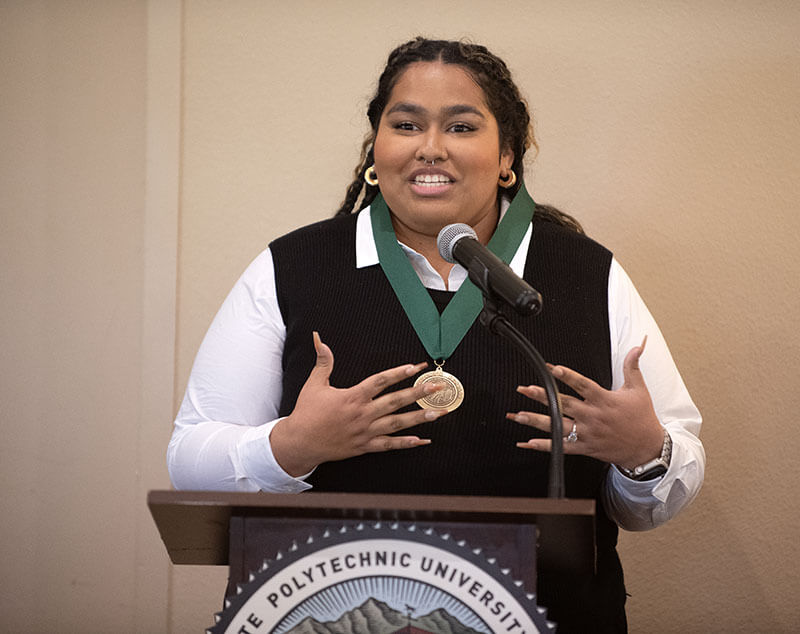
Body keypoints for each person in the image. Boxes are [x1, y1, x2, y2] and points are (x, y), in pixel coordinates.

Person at [168, 37, 705, 632]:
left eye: (461, 126)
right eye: (405, 124)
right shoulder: (291, 267)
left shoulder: (589, 273)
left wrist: (643, 454)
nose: (430, 148)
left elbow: (654, 503)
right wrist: (293, 446)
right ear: (377, 147)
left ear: (507, 156)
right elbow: (190, 459)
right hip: (327, 612)